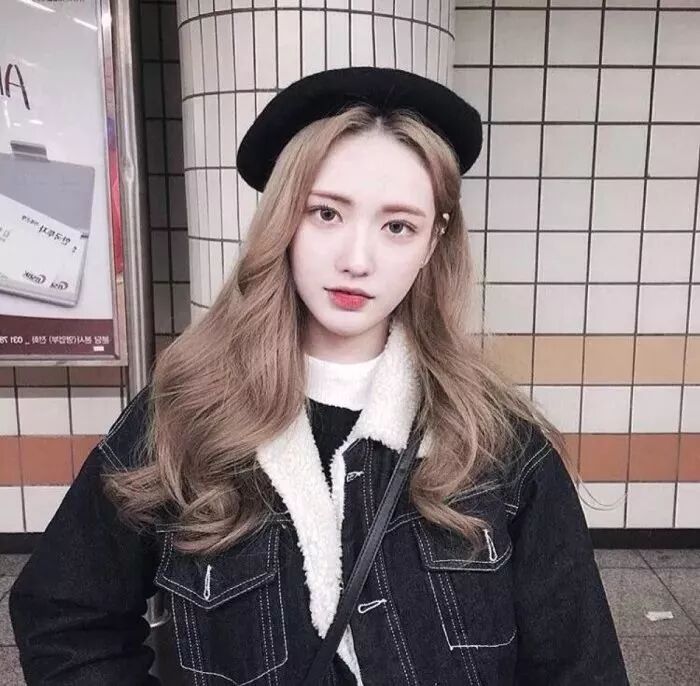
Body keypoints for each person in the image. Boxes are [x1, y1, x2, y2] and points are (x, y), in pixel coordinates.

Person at [9, 66, 629, 685]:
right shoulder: (186, 414)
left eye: (398, 226)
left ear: (433, 241)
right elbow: (66, 619)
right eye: (326, 214)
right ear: (283, 218)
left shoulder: (494, 439)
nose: (356, 259)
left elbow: (580, 666)